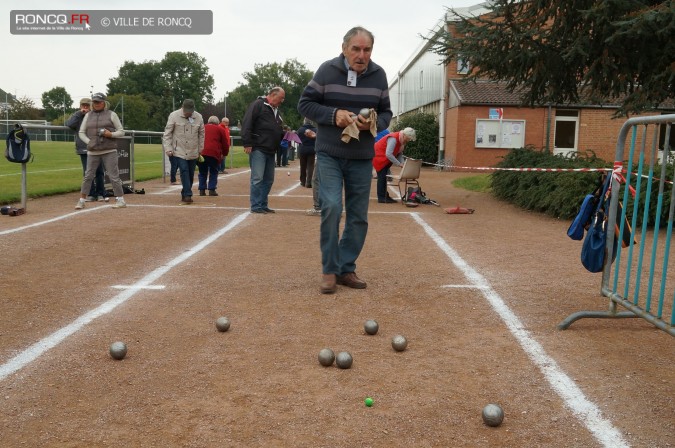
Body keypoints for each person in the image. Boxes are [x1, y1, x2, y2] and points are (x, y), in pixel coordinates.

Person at [298, 26, 392, 294]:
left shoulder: (379, 75)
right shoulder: (327, 70)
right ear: (344, 48)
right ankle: (329, 269)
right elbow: (304, 104)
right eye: (356, 49)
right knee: (330, 206)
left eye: (367, 49)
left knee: (358, 216)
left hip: (362, 156)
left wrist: (374, 122)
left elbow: (386, 113)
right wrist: (333, 115)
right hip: (329, 152)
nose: (361, 55)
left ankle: (345, 267)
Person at [75, 93, 126, 210]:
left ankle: (121, 200)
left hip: (109, 150)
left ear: (104, 102)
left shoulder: (112, 114)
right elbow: (81, 132)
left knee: (114, 176)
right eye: (94, 102)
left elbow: (121, 131)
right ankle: (82, 200)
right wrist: (89, 142)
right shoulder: (88, 115)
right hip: (93, 151)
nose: (96, 104)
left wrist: (110, 134)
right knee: (88, 176)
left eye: (98, 102)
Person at [241, 86, 285, 214]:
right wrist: (247, 143)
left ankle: (263, 204)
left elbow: (278, 128)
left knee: (269, 179)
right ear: (272, 95)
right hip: (258, 147)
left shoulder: (277, 111)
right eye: (281, 98)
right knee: (257, 178)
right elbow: (247, 122)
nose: (282, 101)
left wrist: (285, 136)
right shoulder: (258, 105)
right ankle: (256, 205)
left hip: (271, 149)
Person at [163, 99, 205, 203]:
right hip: (179, 150)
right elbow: (167, 133)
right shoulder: (173, 116)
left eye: (190, 111)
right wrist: (168, 148)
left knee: (190, 173)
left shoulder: (199, 117)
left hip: (193, 150)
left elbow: (202, 134)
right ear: (182, 108)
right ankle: (187, 195)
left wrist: (200, 149)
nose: (188, 113)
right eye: (186, 111)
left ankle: (184, 192)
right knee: (184, 170)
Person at [66, 98, 107, 202]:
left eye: (87, 106)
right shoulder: (78, 116)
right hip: (83, 148)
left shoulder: (97, 115)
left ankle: (101, 193)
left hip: (97, 147)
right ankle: (90, 194)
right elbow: (69, 124)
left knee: (99, 171)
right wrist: (79, 113)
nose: (85, 108)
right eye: (83, 106)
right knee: (87, 172)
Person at [373, 127, 416, 203]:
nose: (409, 140)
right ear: (404, 135)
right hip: (379, 156)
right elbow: (388, 154)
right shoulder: (393, 138)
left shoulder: (401, 141)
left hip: (385, 158)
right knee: (382, 177)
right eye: (408, 138)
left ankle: (385, 195)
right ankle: (381, 197)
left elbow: (399, 153)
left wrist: (403, 163)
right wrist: (399, 164)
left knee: (384, 177)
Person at [198, 116, 230, 196]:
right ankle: (212, 189)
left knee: (202, 171)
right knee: (214, 171)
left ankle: (202, 190)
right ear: (217, 122)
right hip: (214, 153)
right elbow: (225, 143)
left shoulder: (202, 127)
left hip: (202, 152)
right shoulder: (220, 129)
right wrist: (225, 153)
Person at [297, 118, 317, 188]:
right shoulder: (315, 129)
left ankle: (303, 181)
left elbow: (297, 139)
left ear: (304, 121)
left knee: (303, 166)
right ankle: (308, 183)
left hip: (302, 149)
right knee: (310, 166)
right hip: (312, 149)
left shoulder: (300, 129)